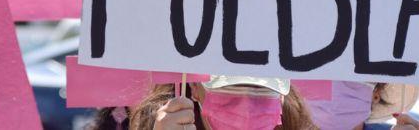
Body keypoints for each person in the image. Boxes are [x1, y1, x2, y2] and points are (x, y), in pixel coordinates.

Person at [129, 77, 316, 130]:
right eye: (229, 90)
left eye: (260, 90)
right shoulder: (162, 123)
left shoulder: (296, 125)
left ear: (281, 96)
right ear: (195, 88)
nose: (247, 110)